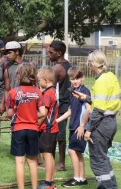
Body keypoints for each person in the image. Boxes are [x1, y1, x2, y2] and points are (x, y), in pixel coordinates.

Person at [73, 50, 121, 189]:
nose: (88, 65)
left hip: (101, 124)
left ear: (93, 63)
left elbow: (98, 110)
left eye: (89, 63)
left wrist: (88, 129)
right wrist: (86, 98)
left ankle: (106, 187)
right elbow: (104, 102)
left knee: (97, 160)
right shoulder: (111, 76)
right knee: (103, 158)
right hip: (111, 122)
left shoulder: (100, 81)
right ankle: (112, 186)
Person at [6, 63, 46, 189]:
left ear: (19, 75)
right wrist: (33, 116)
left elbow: (9, 113)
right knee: (32, 161)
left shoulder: (12, 92)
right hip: (33, 129)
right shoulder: (37, 92)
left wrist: (13, 114)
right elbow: (43, 112)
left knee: (19, 161)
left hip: (18, 129)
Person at [56, 66, 91, 187]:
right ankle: (82, 178)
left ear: (82, 78)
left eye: (77, 78)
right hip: (73, 126)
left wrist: (82, 126)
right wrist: (57, 120)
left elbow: (88, 109)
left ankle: (76, 178)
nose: (75, 81)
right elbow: (70, 110)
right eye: (72, 78)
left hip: (79, 127)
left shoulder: (84, 91)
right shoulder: (72, 92)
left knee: (72, 151)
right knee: (78, 153)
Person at [48, 40, 71, 171]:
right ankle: (53, 161)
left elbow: (50, 88)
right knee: (58, 134)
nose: (49, 55)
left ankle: (60, 163)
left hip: (60, 105)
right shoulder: (68, 64)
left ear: (59, 53)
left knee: (58, 135)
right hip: (64, 104)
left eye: (51, 52)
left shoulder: (57, 68)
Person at [37, 67, 59, 189]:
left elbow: (43, 113)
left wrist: (35, 122)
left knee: (47, 155)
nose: (38, 82)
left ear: (45, 80)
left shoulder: (47, 94)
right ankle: (51, 181)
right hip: (53, 128)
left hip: (47, 128)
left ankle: (48, 183)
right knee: (50, 155)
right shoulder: (53, 91)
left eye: (39, 80)